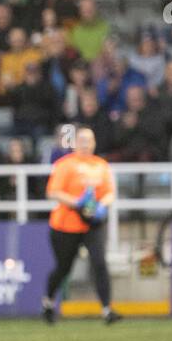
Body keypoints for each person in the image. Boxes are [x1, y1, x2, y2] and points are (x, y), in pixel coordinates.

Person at [41, 126, 121, 325]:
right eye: (82, 140)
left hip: (92, 225)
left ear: (94, 143)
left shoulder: (101, 166)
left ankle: (107, 310)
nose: (85, 144)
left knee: (100, 263)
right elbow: (53, 192)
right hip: (66, 226)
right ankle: (49, 303)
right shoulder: (65, 165)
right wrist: (77, 203)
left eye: (89, 140)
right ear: (75, 143)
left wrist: (102, 206)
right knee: (63, 268)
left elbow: (110, 192)